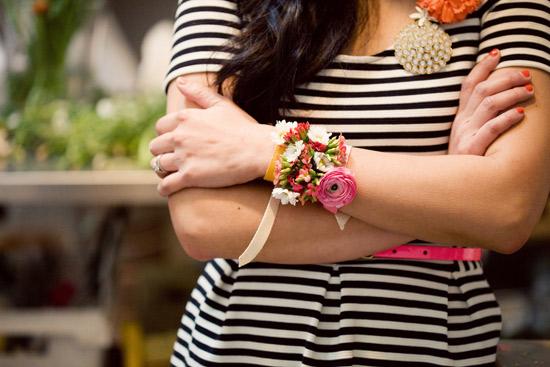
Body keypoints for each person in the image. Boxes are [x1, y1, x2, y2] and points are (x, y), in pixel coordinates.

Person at [149, 0, 550, 365]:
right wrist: (448, 189)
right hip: (241, 344)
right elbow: (204, 223)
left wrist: (271, 150)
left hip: (429, 345)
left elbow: (507, 211)